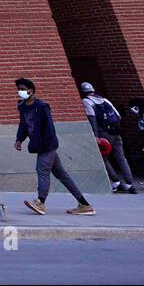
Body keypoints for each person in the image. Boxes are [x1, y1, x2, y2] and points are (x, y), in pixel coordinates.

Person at [14, 77, 95, 215]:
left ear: (31, 90)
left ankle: (40, 203)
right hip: (40, 145)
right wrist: (19, 140)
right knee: (61, 174)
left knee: (42, 171)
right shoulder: (22, 106)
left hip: (47, 145)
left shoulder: (41, 107)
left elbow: (49, 127)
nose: (20, 92)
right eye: (19, 89)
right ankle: (85, 205)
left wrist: (46, 145)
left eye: (22, 89)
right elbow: (24, 125)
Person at [79, 82, 136, 193]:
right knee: (121, 158)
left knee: (103, 159)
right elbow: (118, 116)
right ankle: (130, 184)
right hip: (116, 133)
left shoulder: (86, 102)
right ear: (93, 90)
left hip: (103, 135)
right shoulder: (105, 100)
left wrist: (96, 135)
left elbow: (92, 119)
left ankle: (116, 181)